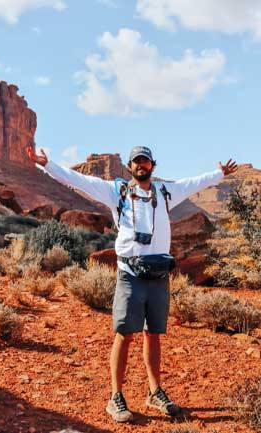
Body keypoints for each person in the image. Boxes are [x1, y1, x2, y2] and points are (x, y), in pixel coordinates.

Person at [27, 145, 238, 423]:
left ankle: (154, 392)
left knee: (153, 334)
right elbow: (78, 181)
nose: (141, 166)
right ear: (130, 166)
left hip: (159, 274)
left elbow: (191, 184)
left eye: (146, 161)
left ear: (153, 165)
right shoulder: (117, 192)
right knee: (124, 334)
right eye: (137, 162)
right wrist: (47, 165)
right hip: (130, 273)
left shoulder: (165, 193)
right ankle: (116, 396)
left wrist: (218, 174)